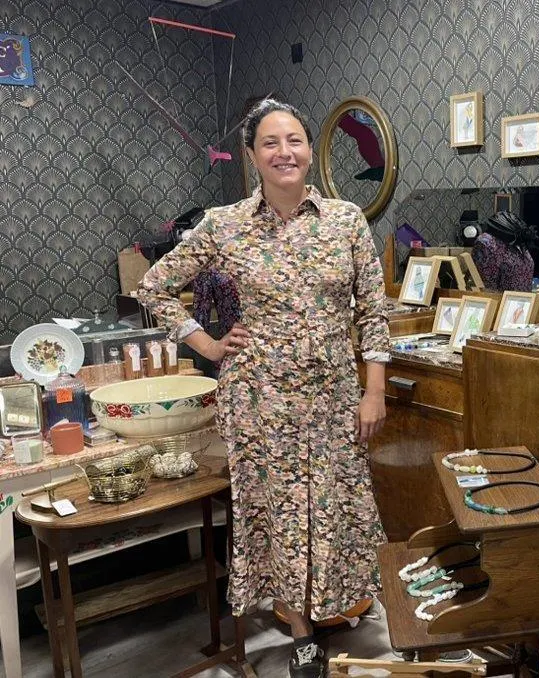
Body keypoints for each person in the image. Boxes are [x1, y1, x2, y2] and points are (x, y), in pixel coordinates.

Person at [138, 99, 390, 678]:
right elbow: (153, 287)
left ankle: (337, 603)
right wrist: (207, 345)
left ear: (310, 150)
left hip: (333, 396)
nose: (285, 152)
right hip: (260, 397)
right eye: (270, 143)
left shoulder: (346, 219)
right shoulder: (225, 224)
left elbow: (373, 312)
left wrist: (374, 391)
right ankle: (302, 632)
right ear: (252, 156)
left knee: (336, 505)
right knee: (280, 513)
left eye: (294, 140)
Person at [470, 211, 536, 291]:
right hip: (508, 297)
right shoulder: (487, 242)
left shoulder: (487, 242)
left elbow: (488, 285)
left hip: (511, 297)